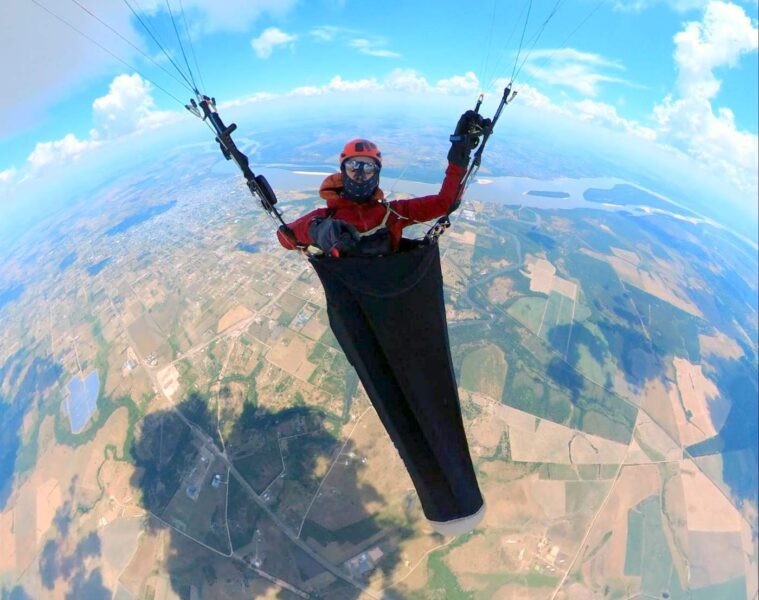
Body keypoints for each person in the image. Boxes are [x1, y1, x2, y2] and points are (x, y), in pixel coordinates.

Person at [276, 111, 489, 256]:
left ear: (377, 174)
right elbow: (285, 237)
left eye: (368, 168)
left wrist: (459, 153)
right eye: (353, 166)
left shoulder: (393, 214)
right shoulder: (324, 219)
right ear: (342, 171)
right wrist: (315, 230)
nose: (360, 174)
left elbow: (445, 203)